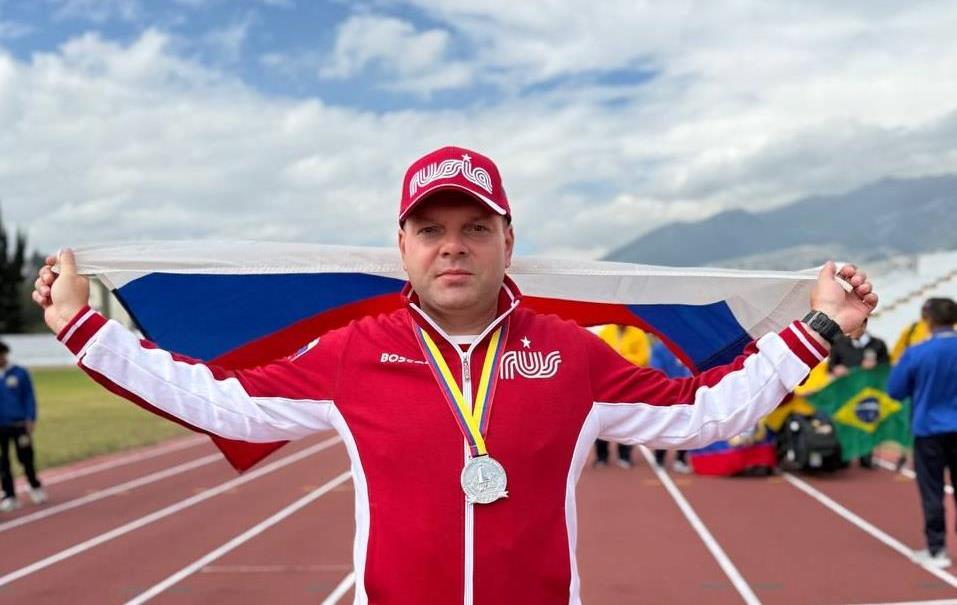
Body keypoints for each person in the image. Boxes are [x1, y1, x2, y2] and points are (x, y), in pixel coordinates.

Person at [33, 145, 877, 604]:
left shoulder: (571, 353)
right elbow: (221, 401)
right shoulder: (353, 354)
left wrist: (817, 328)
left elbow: (704, 413)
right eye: (431, 228)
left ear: (508, 239)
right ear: (401, 244)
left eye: (474, 227)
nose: (453, 246)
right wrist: (84, 328)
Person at [888, 297, 957, 569]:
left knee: (932, 490)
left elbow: (895, 390)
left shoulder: (917, 352)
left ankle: (937, 549)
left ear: (928, 320)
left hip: (929, 430)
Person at [827, 317, 890, 468]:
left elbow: (887, 368)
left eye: (854, 325)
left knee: (866, 424)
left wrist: (876, 366)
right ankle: (845, 456)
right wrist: (836, 369)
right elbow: (830, 367)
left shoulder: (878, 344)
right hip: (846, 391)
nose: (849, 329)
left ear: (864, 324)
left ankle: (866, 457)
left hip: (868, 393)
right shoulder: (839, 344)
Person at [593, 325, 650, 469]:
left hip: (630, 384)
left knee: (627, 420)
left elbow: (643, 358)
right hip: (607, 384)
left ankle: (624, 456)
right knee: (602, 420)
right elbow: (598, 355)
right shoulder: (606, 332)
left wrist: (619, 357)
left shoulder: (638, 334)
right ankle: (601, 456)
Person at [0, 340, 46, 512]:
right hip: (1, 426)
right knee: (3, 463)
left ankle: (34, 486)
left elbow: (29, 397)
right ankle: (9, 495)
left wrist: (30, 418)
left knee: (26, 458)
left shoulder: (19, 373)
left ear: (5, 354)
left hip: (19, 424)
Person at [649, 337, 692, 473]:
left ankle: (681, 459)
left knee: (685, 427)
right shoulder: (659, 348)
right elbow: (656, 370)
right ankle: (659, 459)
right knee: (664, 426)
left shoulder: (686, 346)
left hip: (686, 392)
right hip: (666, 393)